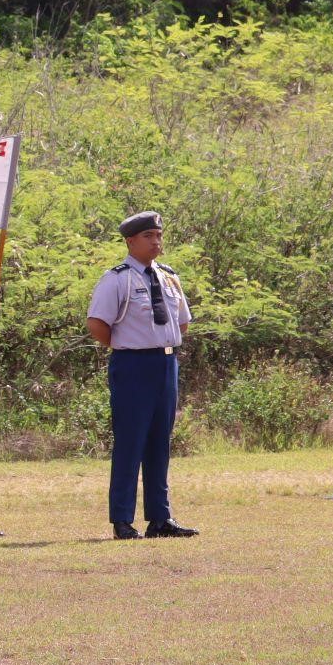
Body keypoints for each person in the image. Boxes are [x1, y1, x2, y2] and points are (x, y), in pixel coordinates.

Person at [86, 211, 197, 540]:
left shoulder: (169, 277)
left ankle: (160, 518)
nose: (156, 241)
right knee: (130, 441)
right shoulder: (117, 279)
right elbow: (97, 323)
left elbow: (182, 322)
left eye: (158, 235)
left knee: (160, 442)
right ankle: (122, 519)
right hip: (133, 365)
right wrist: (128, 345)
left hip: (166, 363)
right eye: (148, 236)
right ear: (130, 241)